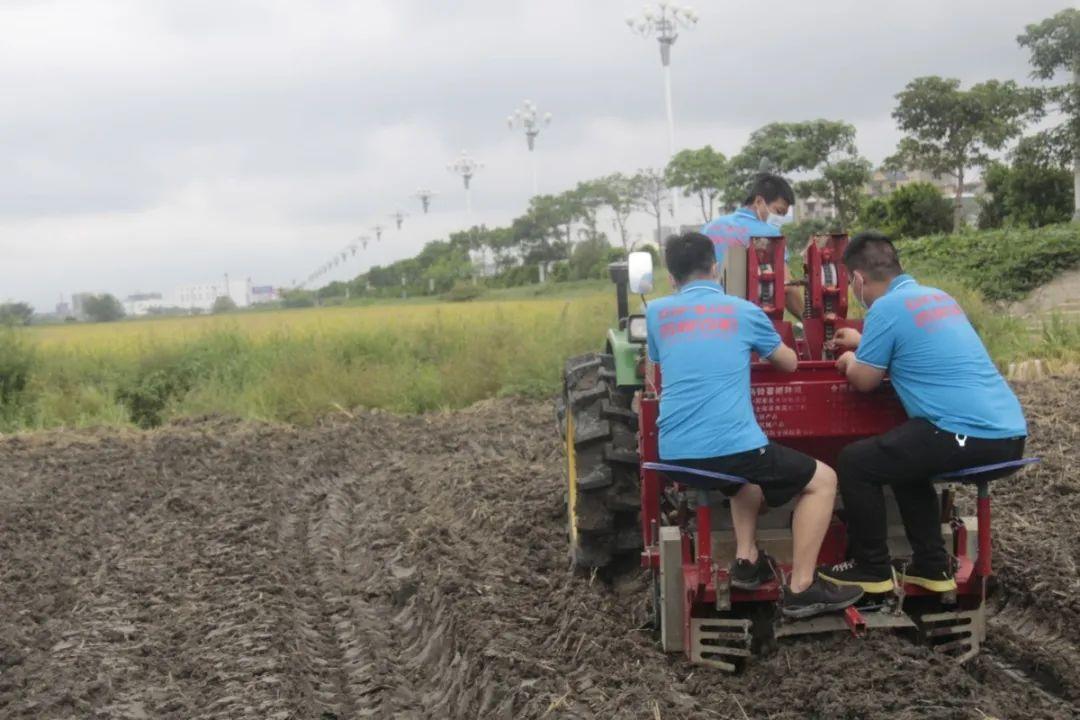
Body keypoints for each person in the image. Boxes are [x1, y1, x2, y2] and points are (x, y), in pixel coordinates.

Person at [646, 231, 863, 618]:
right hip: (731, 447)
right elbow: (789, 363)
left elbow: (667, 357)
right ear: (715, 268)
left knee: (744, 481)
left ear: (672, 278)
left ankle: (747, 560)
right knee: (824, 480)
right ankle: (802, 588)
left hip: (676, 450)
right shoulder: (743, 312)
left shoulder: (657, 313)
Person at [819, 231, 1027, 593]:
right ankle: (931, 567)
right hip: (1008, 434)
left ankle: (871, 568)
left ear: (857, 279)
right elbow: (916, 338)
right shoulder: (937, 297)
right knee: (904, 461)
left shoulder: (884, 308)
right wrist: (864, 341)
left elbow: (865, 380)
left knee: (855, 462)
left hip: (965, 434)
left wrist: (850, 359)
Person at [701, 173, 803, 317]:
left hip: (707, 314)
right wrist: (807, 321)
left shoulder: (709, 228)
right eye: (778, 211)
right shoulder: (770, 234)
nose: (780, 219)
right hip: (746, 317)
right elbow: (786, 287)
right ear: (759, 201)